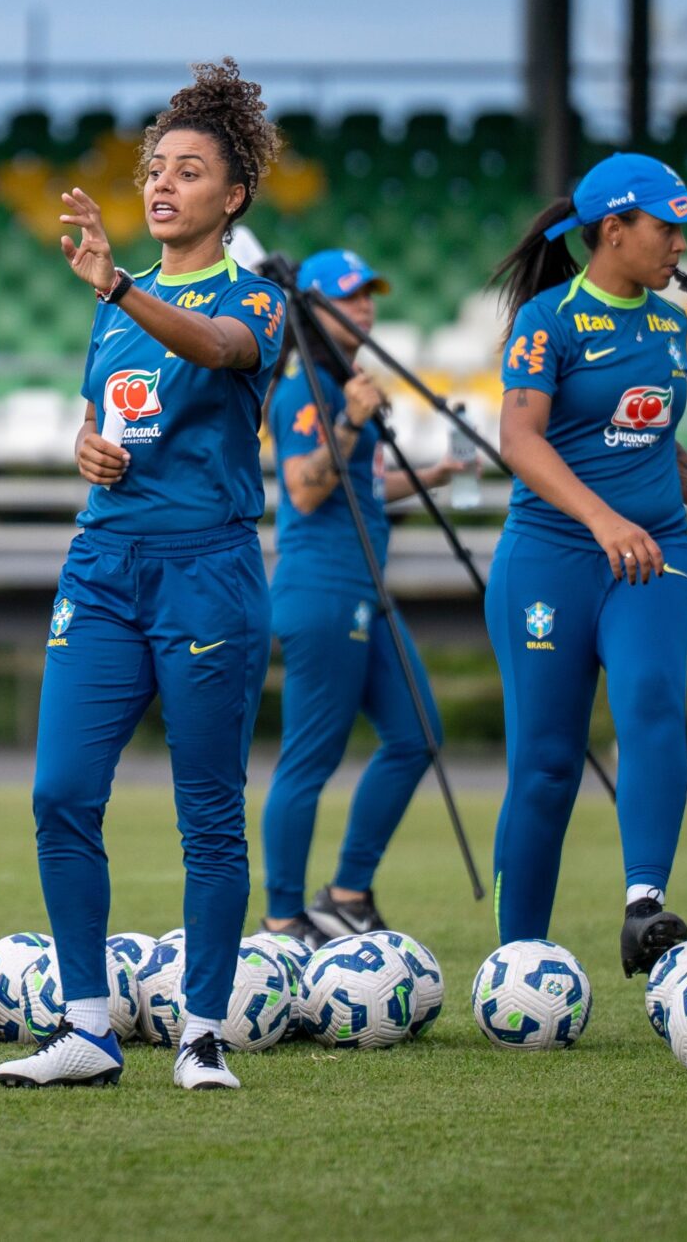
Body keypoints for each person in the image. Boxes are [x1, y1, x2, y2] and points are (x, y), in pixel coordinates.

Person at [0, 59, 285, 1093]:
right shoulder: (115, 307)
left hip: (207, 571)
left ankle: (202, 1034)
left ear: (233, 194)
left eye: (190, 171)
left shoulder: (254, 299)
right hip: (103, 564)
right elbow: (101, 411)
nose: (163, 185)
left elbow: (213, 349)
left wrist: (119, 283)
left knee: (206, 811)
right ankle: (84, 1029)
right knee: (60, 792)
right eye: (155, 168)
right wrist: (88, 447)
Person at [485, 152, 687, 975]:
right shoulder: (548, 321)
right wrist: (600, 518)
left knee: (650, 700)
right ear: (613, 229)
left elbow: (660, 443)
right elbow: (519, 440)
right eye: (668, 225)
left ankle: (644, 906)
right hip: (551, 560)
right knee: (547, 765)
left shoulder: (670, 323)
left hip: (654, 556)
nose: (680, 241)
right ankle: (519, 959)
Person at [258, 248, 470, 945]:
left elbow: (363, 484)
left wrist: (433, 474)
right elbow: (305, 487)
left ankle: (347, 892)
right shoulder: (304, 388)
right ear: (313, 307)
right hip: (323, 589)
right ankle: (284, 917)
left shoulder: (344, 381)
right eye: (349, 297)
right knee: (310, 758)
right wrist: (349, 420)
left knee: (417, 734)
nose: (366, 307)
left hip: (365, 589)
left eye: (369, 295)